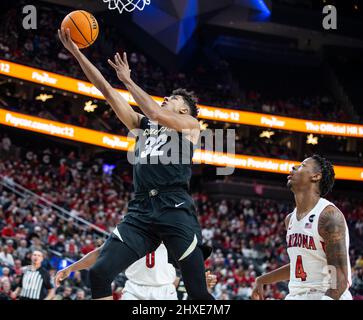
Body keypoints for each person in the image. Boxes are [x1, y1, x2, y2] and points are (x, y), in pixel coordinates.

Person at [58, 28, 212, 300]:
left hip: (173, 206)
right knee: (99, 273)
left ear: (184, 110)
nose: (166, 99)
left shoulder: (190, 126)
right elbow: (105, 89)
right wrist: (77, 53)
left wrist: (128, 81)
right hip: (141, 208)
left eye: (172, 99)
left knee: (199, 295)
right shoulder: (143, 126)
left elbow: (153, 110)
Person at [251, 155, 352, 300]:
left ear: (316, 176)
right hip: (296, 294)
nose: (294, 167)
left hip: (328, 294)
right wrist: (262, 279)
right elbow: (303, 265)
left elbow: (340, 277)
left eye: (303, 165)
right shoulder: (290, 219)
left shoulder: (329, 216)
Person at [55, 243, 216, 300]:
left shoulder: (173, 230)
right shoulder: (130, 228)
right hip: (135, 289)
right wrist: (71, 268)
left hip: (165, 291)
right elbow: (100, 253)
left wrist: (200, 279)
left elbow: (188, 258)